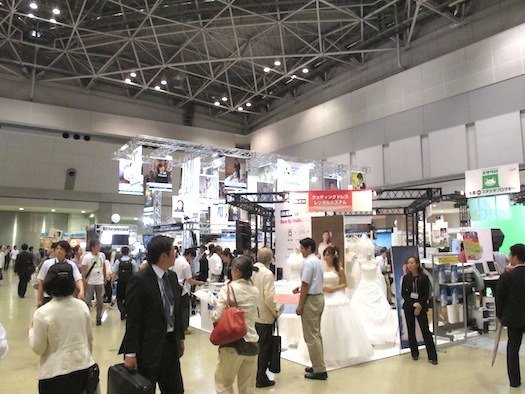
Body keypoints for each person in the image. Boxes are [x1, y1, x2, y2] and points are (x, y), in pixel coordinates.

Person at [119, 235, 185, 393]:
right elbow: (134, 319)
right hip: (147, 348)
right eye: (173, 251)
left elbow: (176, 310)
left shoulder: (172, 277)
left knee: (175, 389)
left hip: (170, 345)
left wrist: (180, 338)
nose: (175, 254)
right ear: (163, 256)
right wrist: (130, 352)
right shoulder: (140, 280)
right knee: (147, 388)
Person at [298, 246, 374, 369]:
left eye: (328, 254)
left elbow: (345, 284)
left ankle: (337, 355)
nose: (326, 257)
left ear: (333, 255)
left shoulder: (339, 269)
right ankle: (319, 358)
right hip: (322, 297)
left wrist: (333, 288)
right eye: (325, 255)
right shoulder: (321, 268)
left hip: (336, 297)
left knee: (339, 326)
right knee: (319, 328)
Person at [29, 262, 97, 394]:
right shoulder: (82, 307)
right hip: (83, 368)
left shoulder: (42, 313)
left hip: (54, 374)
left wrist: (31, 330)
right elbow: (89, 340)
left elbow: (38, 348)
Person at [213, 256, 260, 394]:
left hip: (233, 344)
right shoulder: (255, 291)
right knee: (247, 388)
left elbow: (217, 315)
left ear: (237, 272)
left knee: (224, 384)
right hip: (252, 343)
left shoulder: (228, 289)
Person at [293, 238, 327, 380]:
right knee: (316, 334)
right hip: (319, 298)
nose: (300, 250)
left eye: (302, 248)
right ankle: (318, 364)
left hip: (311, 300)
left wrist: (300, 305)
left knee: (311, 336)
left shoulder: (308, 263)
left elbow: (306, 284)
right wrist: (300, 289)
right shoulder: (318, 261)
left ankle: (319, 370)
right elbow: (313, 282)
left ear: (308, 248)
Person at [496, 244, 525, 387]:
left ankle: (514, 381)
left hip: (513, 318)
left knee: (513, 349)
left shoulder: (506, 276)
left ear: (515, 257)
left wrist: (500, 315)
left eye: (510, 254)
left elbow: (499, 298)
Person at [401, 256, 438, 365]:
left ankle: (432, 356)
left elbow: (426, 294)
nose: (410, 265)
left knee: (425, 331)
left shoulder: (424, 278)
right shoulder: (406, 278)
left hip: (421, 306)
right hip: (409, 306)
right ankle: (414, 353)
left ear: (417, 264)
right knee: (410, 330)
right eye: (408, 263)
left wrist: (419, 305)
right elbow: (404, 294)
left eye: (412, 263)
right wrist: (413, 304)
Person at [252, 247, 280, 388]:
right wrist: (275, 311)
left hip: (252, 315)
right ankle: (261, 377)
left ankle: (253, 374)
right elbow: (269, 296)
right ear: (270, 259)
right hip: (264, 316)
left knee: (254, 346)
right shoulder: (267, 274)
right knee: (264, 348)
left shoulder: (250, 270)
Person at [37, 241, 84, 307]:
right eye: (57, 249)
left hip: (65, 297)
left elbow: (78, 279)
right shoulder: (47, 263)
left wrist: (81, 291)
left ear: (66, 251)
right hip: (49, 296)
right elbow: (41, 281)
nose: (59, 251)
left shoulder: (71, 265)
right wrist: (39, 299)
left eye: (61, 249)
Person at [170, 248, 204, 335]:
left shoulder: (176, 261)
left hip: (175, 288)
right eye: (192, 258)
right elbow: (189, 280)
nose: (192, 260)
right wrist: (199, 282)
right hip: (184, 290)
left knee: (177, 309)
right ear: (189, 255)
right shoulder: (185, 264)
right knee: (185, 310)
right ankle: (184, 328)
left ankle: (178, 327)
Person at [111, 247, 139, 320]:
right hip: (130, 283)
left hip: (120, 282)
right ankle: (127, 311)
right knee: (129, 297)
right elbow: (136, 273)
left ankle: (122, 310)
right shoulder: (132, 261)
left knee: (119, 298)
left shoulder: (118, 261)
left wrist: (112, 282)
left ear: (121, 252)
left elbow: (114, 273)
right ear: (129, 252)